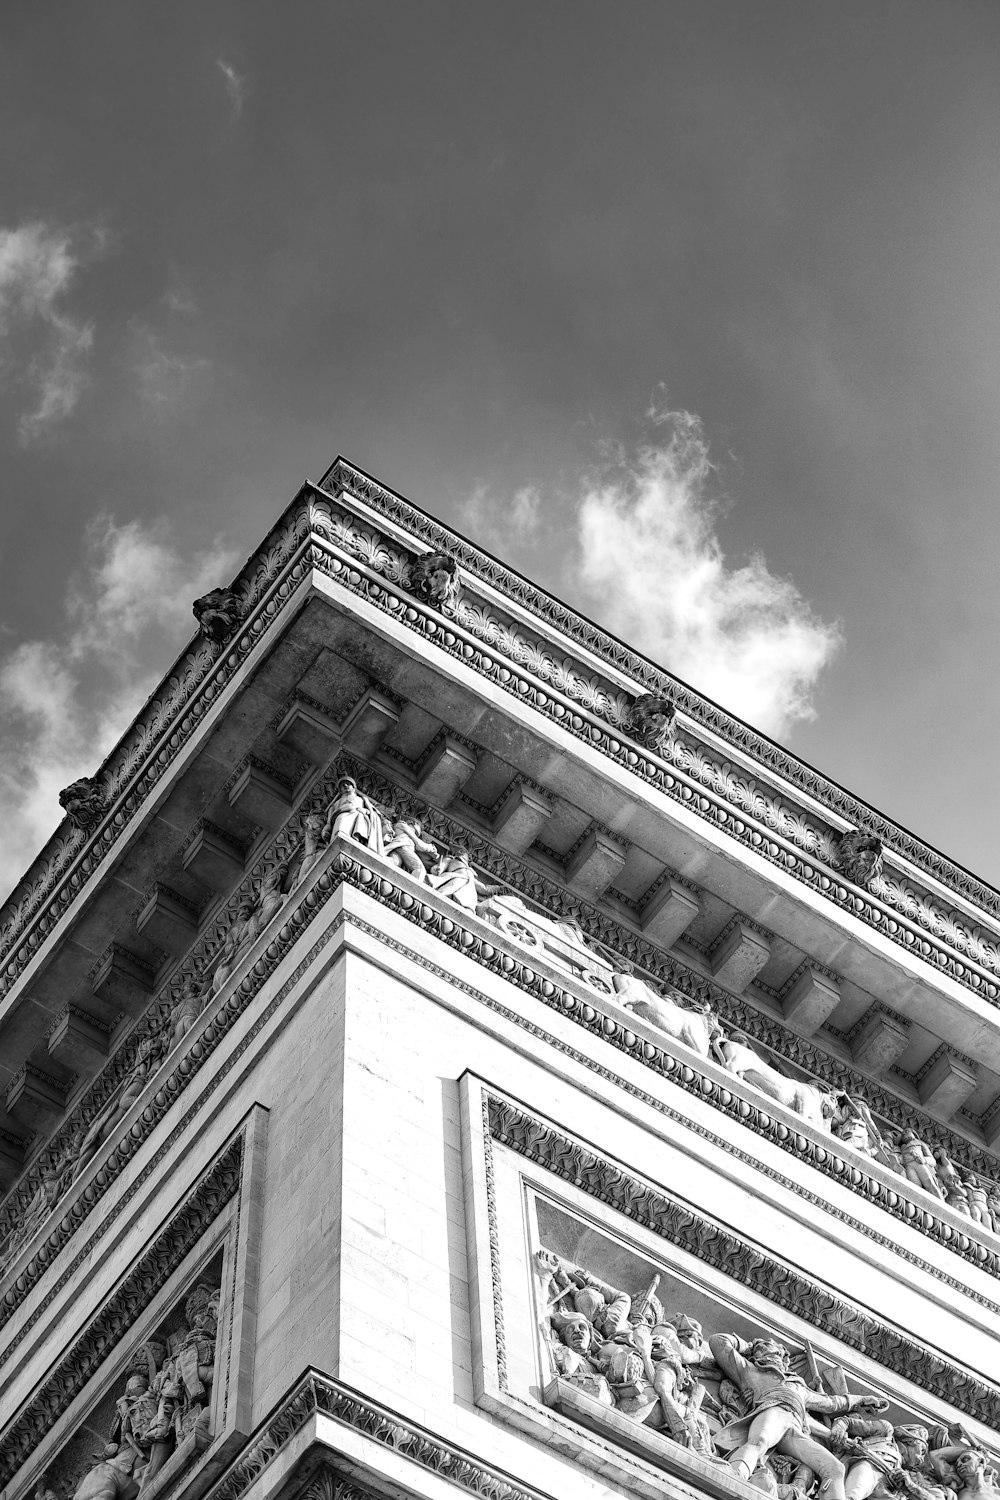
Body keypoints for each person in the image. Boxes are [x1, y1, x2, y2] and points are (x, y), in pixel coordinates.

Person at [709, 1333, 888, 1498]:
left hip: (796, 1426)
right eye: (761, 1349)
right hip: (773, 1411)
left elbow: (832, 1404)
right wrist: (746, 1346)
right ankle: (732, 1477)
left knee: (835, 1468)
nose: (768, 1352)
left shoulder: (799, 1386)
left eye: (773, 1351)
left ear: (784, 1359)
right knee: (760, 1441)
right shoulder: (750, 1371)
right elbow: (718, 1342)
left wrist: (861, 1400)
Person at [322, 777, 385, 853]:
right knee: (341, 819)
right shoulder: (335, 804)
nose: (345, 785)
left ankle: (355, 842)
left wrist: (365, 810)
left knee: (345, 820)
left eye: (348, 784)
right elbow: (329, 822)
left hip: (357, 816)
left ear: (354, 787)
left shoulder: (362, 799)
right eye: (342, 785)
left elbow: (374, 813)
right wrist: (325, 830)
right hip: (340, 818)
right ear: (340, 790)